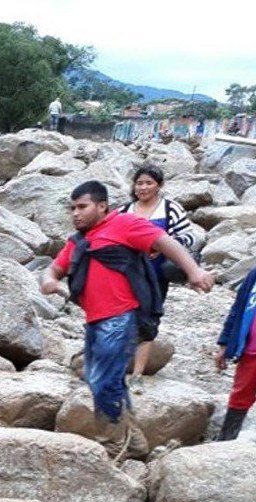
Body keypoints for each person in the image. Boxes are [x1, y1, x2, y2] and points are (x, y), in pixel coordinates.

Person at [41, 181, 213, 459]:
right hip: (95, 320)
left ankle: (111, 442)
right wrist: (48, 280)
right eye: (72, 208)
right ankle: (132, 443)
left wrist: (193, 271)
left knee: (102, 380)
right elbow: (55, 268)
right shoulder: (78, 241)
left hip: (121, 317)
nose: (75, 213)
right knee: (108, 381)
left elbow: (164, 241)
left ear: (102, 206)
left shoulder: (125, 224)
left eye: (82, 207)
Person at [117, 164, 199, 392]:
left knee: (147, 321)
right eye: (139, 183)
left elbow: (190, 236)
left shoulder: (170, 209)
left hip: (156, 277)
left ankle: (137, 374)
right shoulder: (125, 211)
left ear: (159, 186)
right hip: (125, 276)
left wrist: (165, 246)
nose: (143, 188)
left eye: (149, 183)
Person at [216, 264, 256, 441]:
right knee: (240, 397)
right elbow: (238, 308)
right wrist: (225, 343)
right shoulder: (254, 275)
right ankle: (226, 441)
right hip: (250, 350)